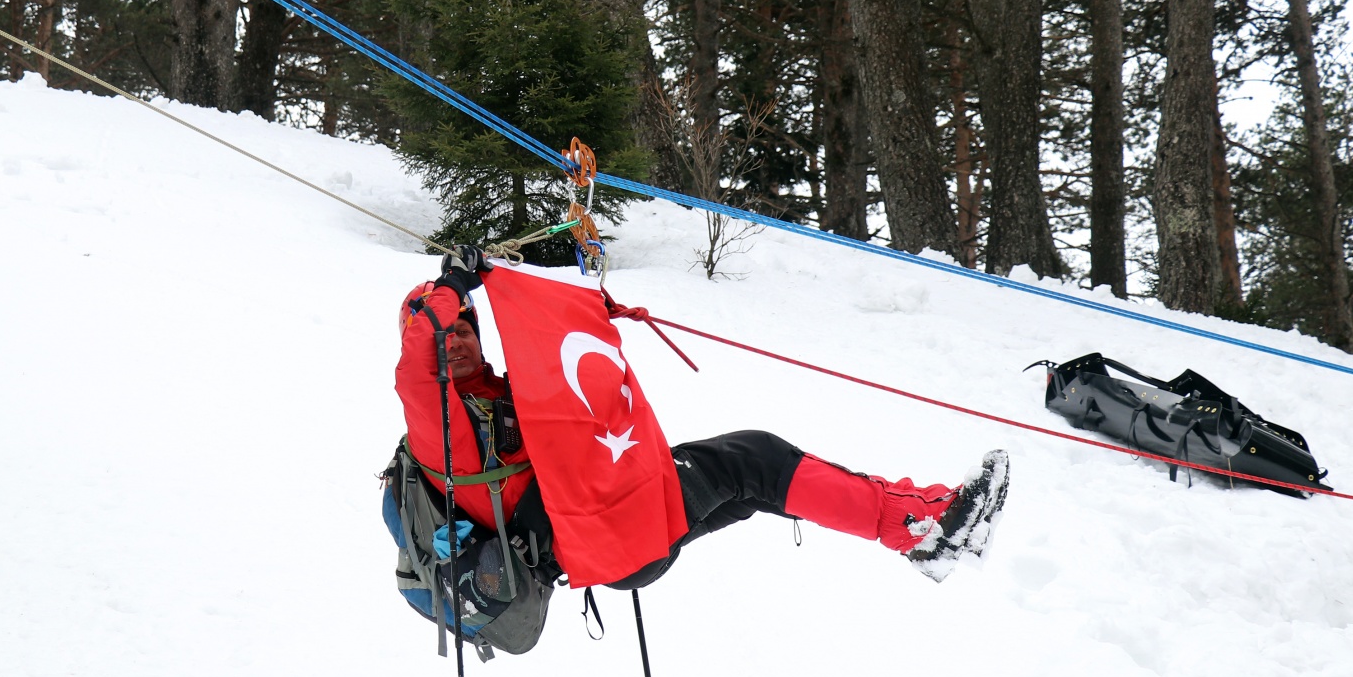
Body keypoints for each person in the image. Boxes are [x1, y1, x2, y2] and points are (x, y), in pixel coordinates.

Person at [395, 247, 1010, 590]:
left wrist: (586, 315)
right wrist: (454, 284)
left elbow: (563, 376)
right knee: (756, 459)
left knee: (754, 480)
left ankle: (919, 524)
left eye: (465, 332)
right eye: (445, 335)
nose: (454, 341)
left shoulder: (507, 390)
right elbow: (424, 335)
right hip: (606, 539)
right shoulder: (430, 409)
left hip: (606, 535)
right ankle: (916, 524)